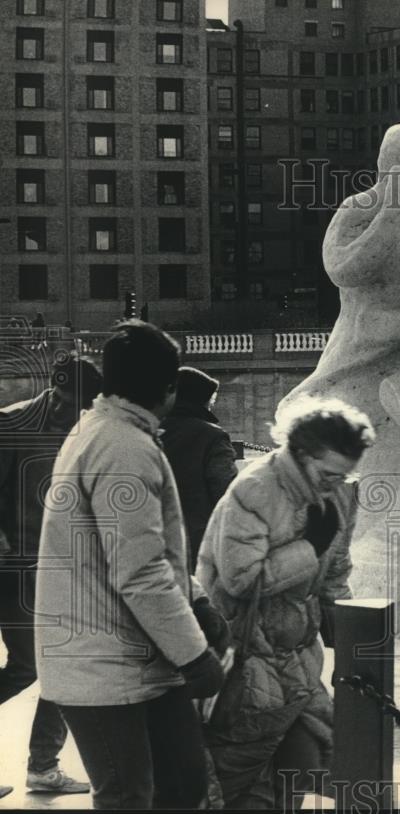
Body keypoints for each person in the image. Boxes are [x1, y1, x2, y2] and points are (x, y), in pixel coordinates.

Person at [34, 321, 229, 810]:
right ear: (168, 389)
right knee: (129, 796)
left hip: (124, 655)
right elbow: (140, 571)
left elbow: (143, 551)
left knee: (180, 785)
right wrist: (195, 655)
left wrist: (197, 600)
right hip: (104, 662)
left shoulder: (105, 433)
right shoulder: (123, 447)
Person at [197, 395, 374, 809]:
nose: (337, 482)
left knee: (304, 767)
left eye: (345, 474)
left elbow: (336, 570)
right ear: (300, 452)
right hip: (245, 657)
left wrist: (347, 633)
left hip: (298, 659)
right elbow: (240, 579)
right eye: (328, 473)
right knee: (238, 778)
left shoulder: (340, 491)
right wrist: (310, 547)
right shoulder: (255, 490)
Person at [0, 354, 101, 796]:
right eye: (63, 400)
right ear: (53, 388)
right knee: (33, 666)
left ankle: (43, 767)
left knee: (58, 663)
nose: (68, 410)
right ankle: (42, 766)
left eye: (78, 404)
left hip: (52, 566)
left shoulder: (82, 429)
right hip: (16, 566)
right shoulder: (12, 424)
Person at [160, 366, 238, 571]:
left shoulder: (149, 430)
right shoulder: (212, 436)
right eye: (211, 400)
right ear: (201, 400)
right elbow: (226, 492)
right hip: (198, 542)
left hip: (154, 538)